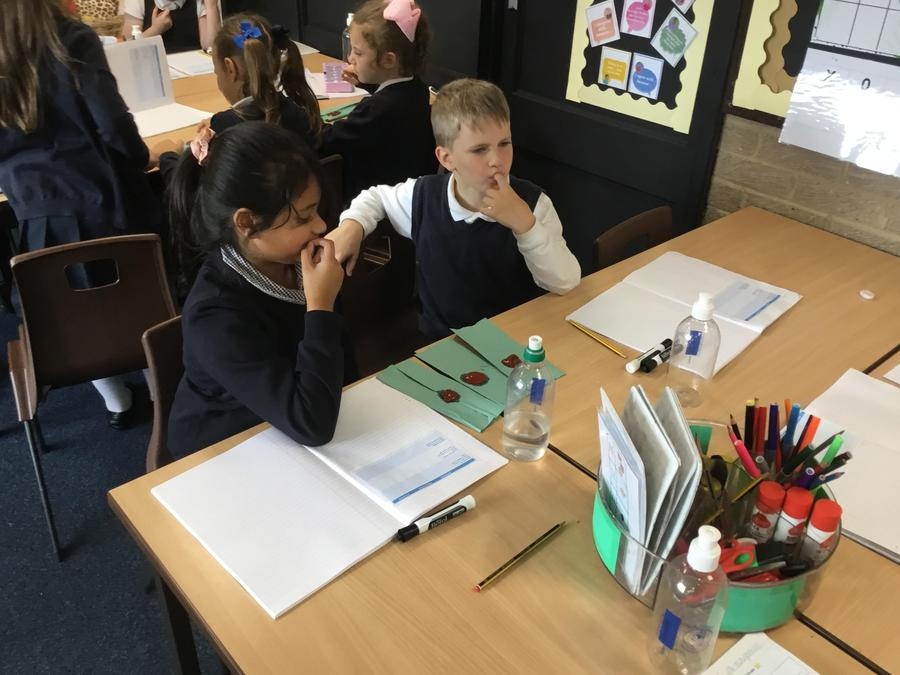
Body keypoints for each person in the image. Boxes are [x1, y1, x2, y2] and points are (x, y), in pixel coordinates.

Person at [0, 0, 160, 428]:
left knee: (75, 309)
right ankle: (161, 390)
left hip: (36, 214)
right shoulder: (70, 40)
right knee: (137, 300)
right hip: (106, 205)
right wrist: (142, 156)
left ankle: (117, 402)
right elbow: (112, 123)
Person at [327, 78, 581, 340]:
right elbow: (376, 197)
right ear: (446, 158)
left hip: (511, 342)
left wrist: (526, 226)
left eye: (505, 144)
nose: (497, 160)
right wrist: (352, 225)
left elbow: (565, 281)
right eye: (479, 150)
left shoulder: (534, 204)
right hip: (440, 344)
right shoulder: (423, 196)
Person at [167, 122, 347, 456]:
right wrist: (321, 306)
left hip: (291, 426)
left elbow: (336, 365)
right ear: (247, 223)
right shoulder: (215, 314)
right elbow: (312, 424)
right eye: (304, 217)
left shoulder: (301, 265)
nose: (322, 225)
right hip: (224, 450)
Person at [151, 14, 322, 177]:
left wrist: (168, 156)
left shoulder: (225, 129)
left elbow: (190, 189)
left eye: (217, 72)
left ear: (230, 68)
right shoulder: (297, 112)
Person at [320, 0, 436, 201]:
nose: (350, 58)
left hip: (374, 205)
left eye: (358, 52)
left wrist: (298, 118)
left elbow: (327, 141)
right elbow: (393, 99)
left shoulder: (376, 110)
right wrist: (367, 85)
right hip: (406, 192)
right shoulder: (417, 88)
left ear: (388, 60)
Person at [118, 0, 221, 52]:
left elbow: (211, 49)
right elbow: (126, 49)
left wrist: (211, 7)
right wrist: (155, 30)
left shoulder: (199, 2)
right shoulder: (137, 2)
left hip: (192, 70)